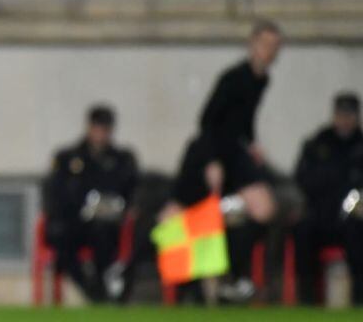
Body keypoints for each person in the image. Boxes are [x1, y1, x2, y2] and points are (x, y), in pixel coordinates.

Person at [164, 19, 283, 302]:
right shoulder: (234, 78)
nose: (269, 51)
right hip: (212, 151)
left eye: (274, 46)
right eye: (265, 44)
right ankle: (181, 284)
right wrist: (213, 160)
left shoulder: (262, 79)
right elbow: (208, 120)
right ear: (252, 45)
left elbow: (244, 119)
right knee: (177, 215)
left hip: (233, 151)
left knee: (261, 210)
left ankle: (230, 276)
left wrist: (252, 142)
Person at [43, 105, 138, 303]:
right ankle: (91, 289)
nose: (100, 134)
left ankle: (104, 288)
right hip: (74, 222)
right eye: (97, 128)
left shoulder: (121, 160)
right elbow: (56, 192)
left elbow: (129, 192)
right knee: (61, 241)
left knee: (105, 240)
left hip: (105, 224)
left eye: (105, 129)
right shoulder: (68, 158)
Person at [293, 92, 363, 306]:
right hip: (321, 213)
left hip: (351, 215)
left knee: (357, 232)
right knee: (303, 229)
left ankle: (358, 298)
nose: (345, 120)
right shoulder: (318, 143)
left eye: (349, 115)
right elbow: (302, 177)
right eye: (341, 114)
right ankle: (307, 299)